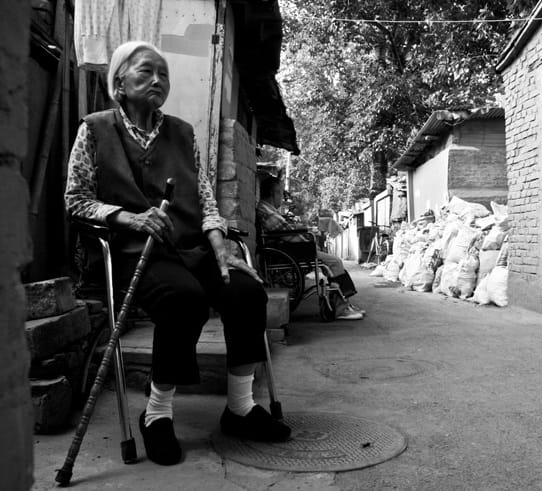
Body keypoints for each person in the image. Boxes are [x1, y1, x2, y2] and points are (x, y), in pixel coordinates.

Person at [65, 41, 290, 466]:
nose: (157, 80)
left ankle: (240, 408)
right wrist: (126, 217)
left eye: (163, 74)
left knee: (245, 291)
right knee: (183, 300)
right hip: (136, 251)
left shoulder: (183, 134)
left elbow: (205, 199)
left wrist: (220, 242)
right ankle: (157, 414)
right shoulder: (94, 130)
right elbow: (75, 200)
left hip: (192, 244)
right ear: (119, 82)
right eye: (146, 71)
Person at [257, 176, 365, 320]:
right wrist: (309, 238)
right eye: (281, 193)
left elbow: (286, 231)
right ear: (273, 193)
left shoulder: (266, 209)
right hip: (293, 250)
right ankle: (341, 307)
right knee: (335, 262)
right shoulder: (269, 213)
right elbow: (290, 236)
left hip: (289, 248)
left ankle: (344, 303)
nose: (282, 197)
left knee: (332, 264)